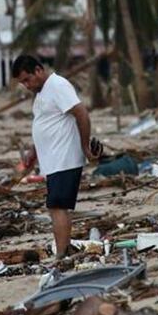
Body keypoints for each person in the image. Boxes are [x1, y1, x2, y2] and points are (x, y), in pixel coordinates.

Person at [11, 55, 96, 260]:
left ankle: (61, 255)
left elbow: (81, 113)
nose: (26, 85)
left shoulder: (58, 85)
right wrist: (34, 152)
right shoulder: (42, 93)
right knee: (56, 207)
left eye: (27, 79)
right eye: (22, 82)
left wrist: (85, 146)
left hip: (65, 157)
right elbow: (46, 124)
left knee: (57, 207)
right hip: (53, 160)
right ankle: (63, 253)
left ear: (38, 70)